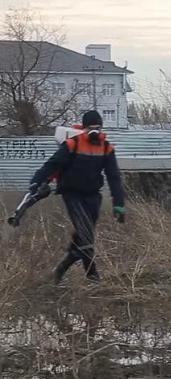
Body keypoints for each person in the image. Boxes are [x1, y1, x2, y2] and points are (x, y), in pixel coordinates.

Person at [29, 110, 125, 284]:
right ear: (83, 128)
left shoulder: (106, 148)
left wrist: (119, 204)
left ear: (101, 128)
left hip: (93, 196)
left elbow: (114, 177)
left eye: (97, 127)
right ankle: (92, 275)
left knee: (83, 236)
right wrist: (36, 182)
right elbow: (51, 165)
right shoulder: (72, 144)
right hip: (72, 194)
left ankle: (61, 269)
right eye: (90, 128)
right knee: (85, 232)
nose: (94, 131)